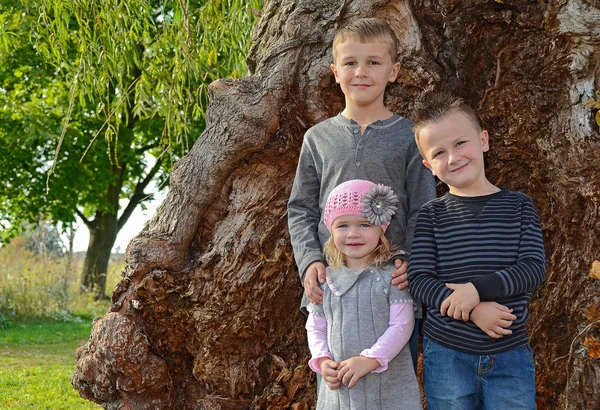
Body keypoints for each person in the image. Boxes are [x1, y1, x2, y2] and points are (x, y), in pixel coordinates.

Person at [287, 17, 436, 368]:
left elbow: (423, 207)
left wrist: (412, 260)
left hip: (392, 286)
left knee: (391, 378)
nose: (361, 72)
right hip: (333, 285)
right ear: (335, 72)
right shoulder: (318, 138)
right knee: (337, 379)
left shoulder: (410, 137)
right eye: (350, 63)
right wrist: (309, 261)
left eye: (373, 62)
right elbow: (301, 209)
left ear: (393, 70)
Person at [407, 92, 546, 409]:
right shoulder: (431, 215)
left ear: (483, 140)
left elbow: (532, 268)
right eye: (439, 152)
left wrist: (476, 290)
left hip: (509, 353)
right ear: (429, 166)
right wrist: (471, 308)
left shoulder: (519, 206)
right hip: (447, 355)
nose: (452, 158)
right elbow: (419, 279)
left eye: (460, 144)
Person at [306, 179, 422, 410]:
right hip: (342, 392)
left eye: (365, 225)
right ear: (330, 230)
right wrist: (322, 359)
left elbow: (402, 325)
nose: (353, 234)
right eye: (343, 226)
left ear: (382, 228)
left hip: (388, 389)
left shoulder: (393, 277)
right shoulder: (325, 280)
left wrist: (370, 360)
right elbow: (315, 326)